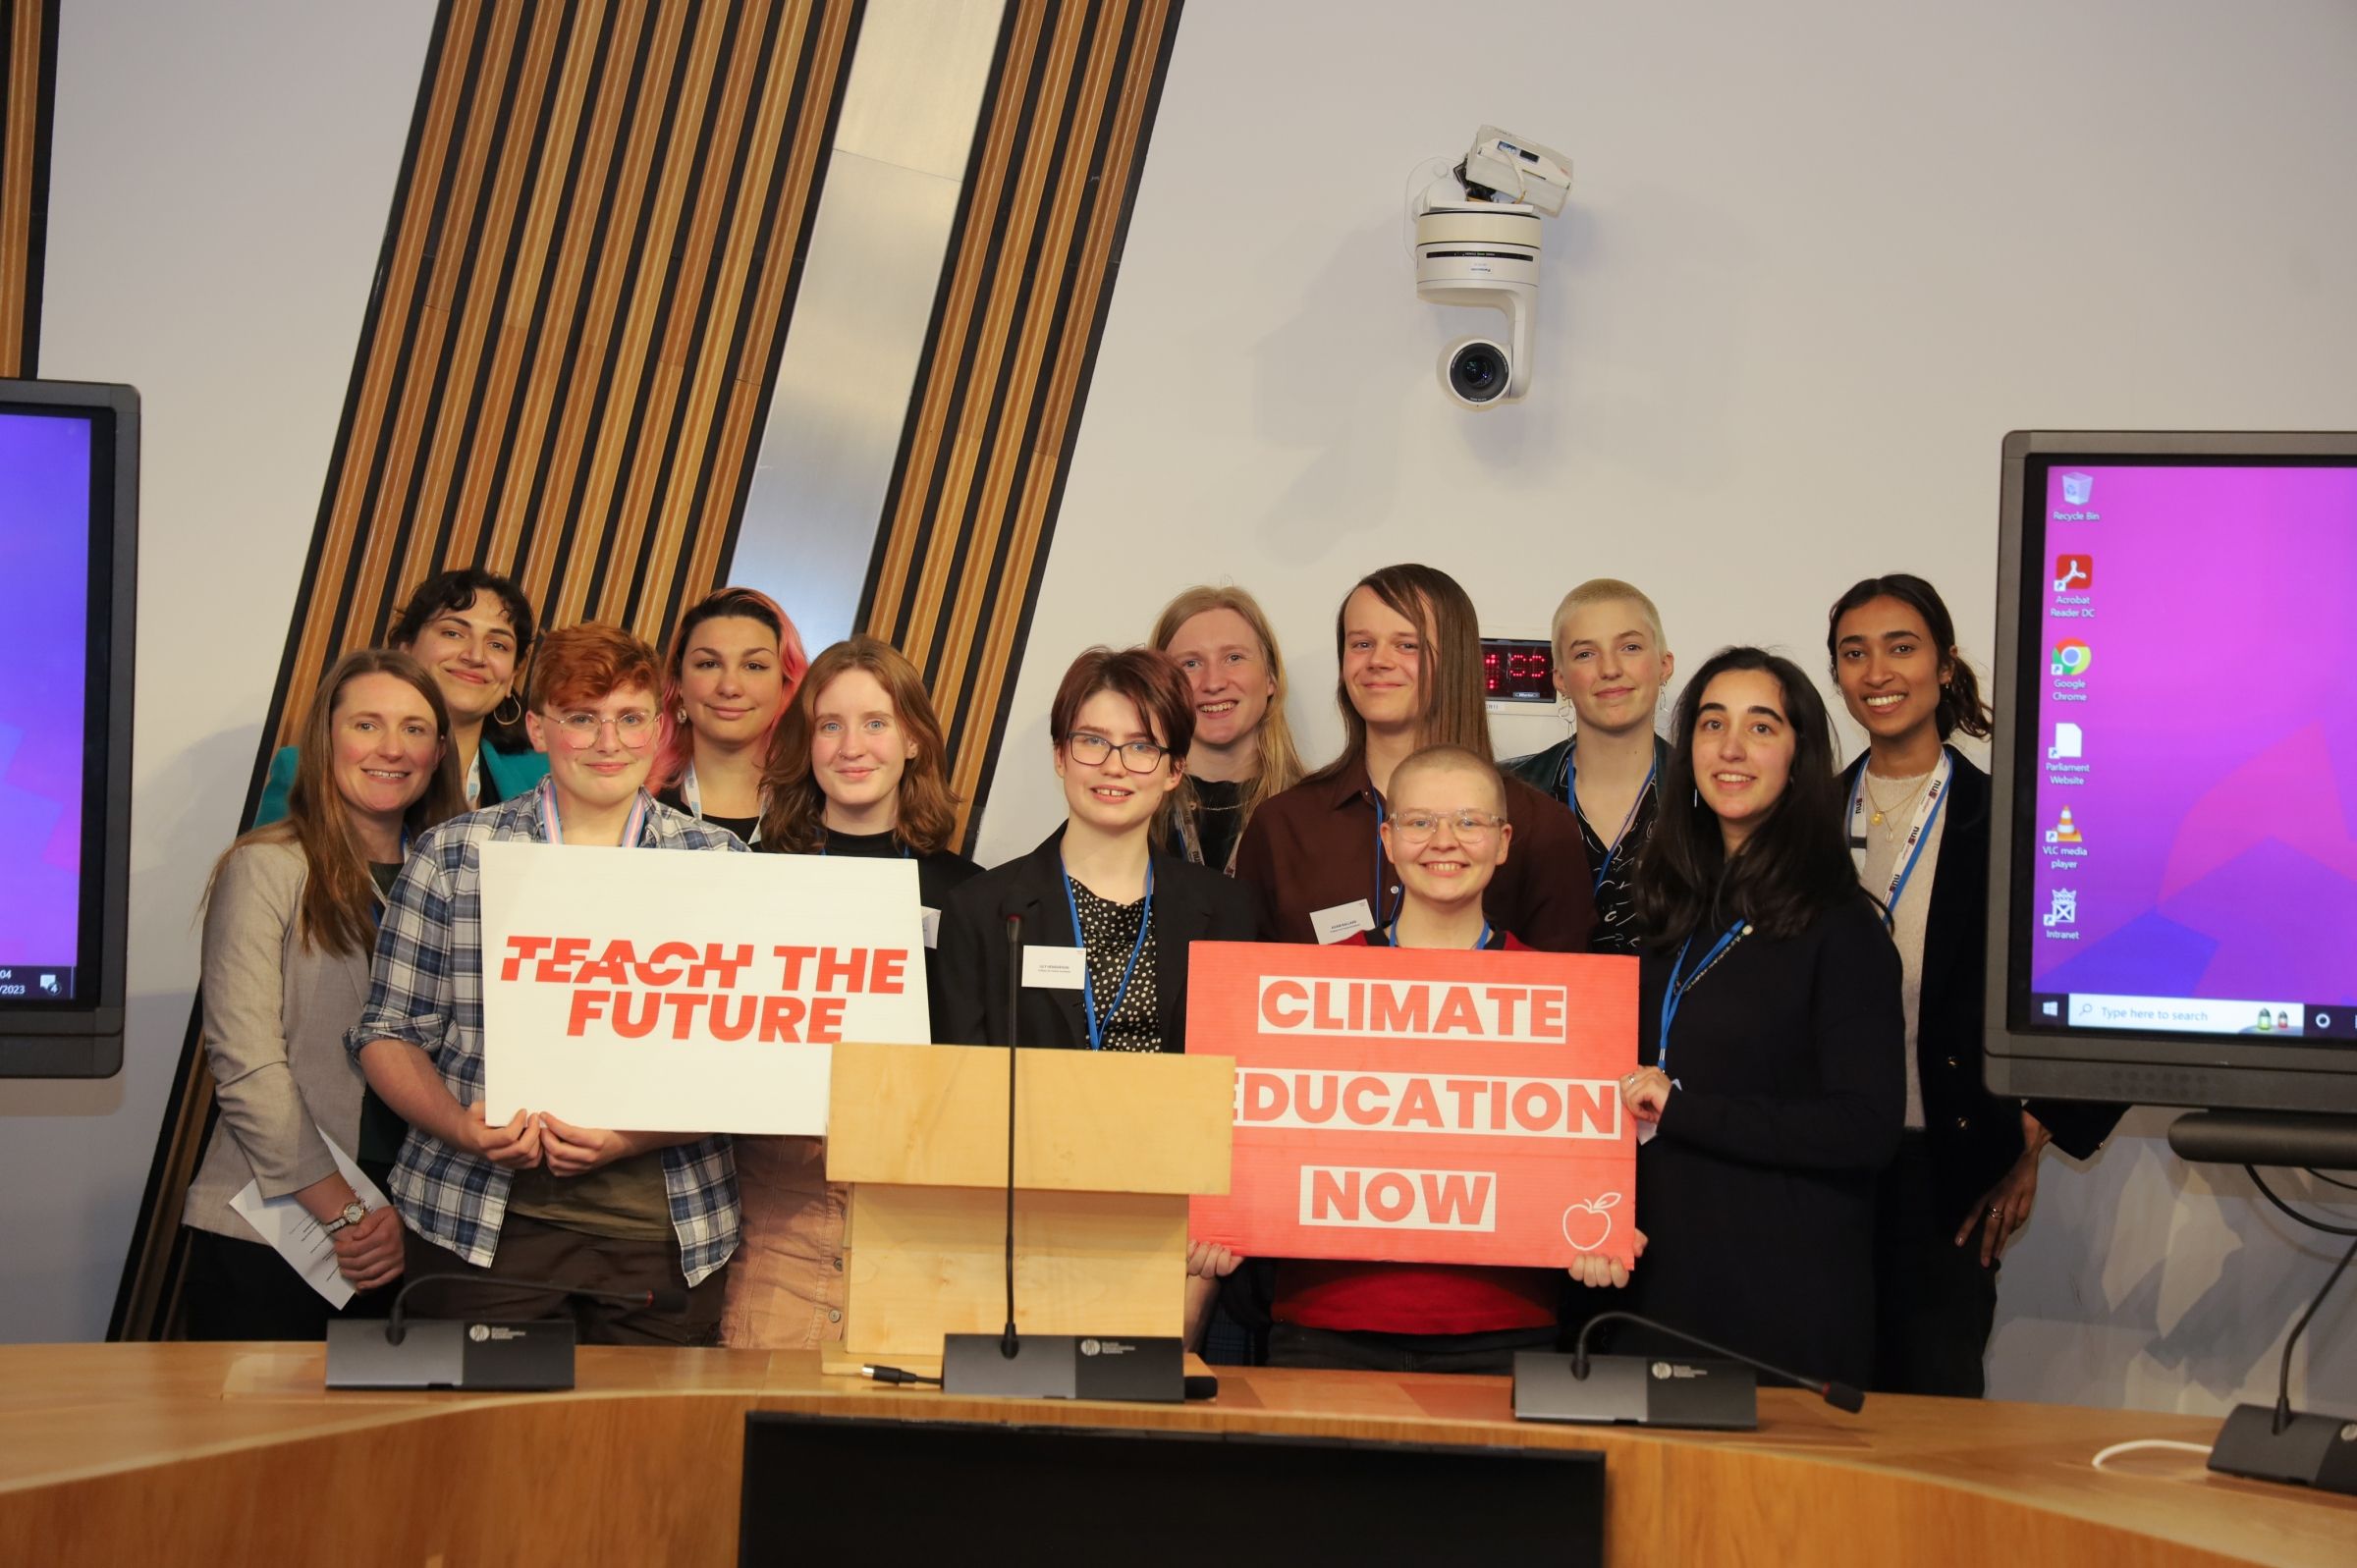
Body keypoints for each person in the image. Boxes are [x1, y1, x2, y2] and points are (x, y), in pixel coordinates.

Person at [348, 623, 747, 1345]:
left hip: (664, 1237)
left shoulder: (722, 863)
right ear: (537, 726)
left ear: (659, 727)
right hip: (478, 1227)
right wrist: (459, 1124)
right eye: (581, 718)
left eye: (630, 718)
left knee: (645, 1457)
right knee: (480, 1453)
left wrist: (629, 1136)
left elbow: (749, 1062)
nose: (608, 742)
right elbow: (388, 1034)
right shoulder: (454, 854)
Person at [1570, 646, 1903, 1392]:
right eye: (1712, 723)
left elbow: (1865, 1127)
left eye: (1761, 727)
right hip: (1652, 1291)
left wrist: (1688, 1110)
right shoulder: (1670, 911)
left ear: (1800, 754)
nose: (1730, 747)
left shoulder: (1841, 930)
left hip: (1779, 1306)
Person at [1829, 573, 2124, 1397]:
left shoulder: (2013, 819)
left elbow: (2105, 973)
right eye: (1854, 653)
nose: (1877, 670)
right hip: (1823, 1168)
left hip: (1949, 1162)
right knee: (1820, 1402)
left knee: (1931, 1395)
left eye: (1901, 647)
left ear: (1945, 665)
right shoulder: (1807, 818)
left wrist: (2032, 1129)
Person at [933, 646, 1260, 1344]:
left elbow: (1245, 1097)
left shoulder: (1229, 913)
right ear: (1059, 755)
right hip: (1016, 1242)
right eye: (1092, 741)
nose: (1114, 766)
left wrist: (1205, 1255)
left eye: (1142, 746)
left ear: (1175, 770)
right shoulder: (984, 910)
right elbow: (958, 1093)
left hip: (1176, 1245)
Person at [1243, 744, 1571, 1374]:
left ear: (1503, 842)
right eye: (1420, 822)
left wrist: (1597, 1230)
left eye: (1468, 822)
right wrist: (1223, 1219)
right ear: (1388, 840)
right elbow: (1263, 1140)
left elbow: (1575, 1166)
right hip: (1325, 1323)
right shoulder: (1308, 989)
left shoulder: (1560, 999)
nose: (1444, 841)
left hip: (1503, 1327)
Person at [181, 650, 466, 1339]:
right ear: (326, 738)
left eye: (415, 729)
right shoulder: (268, 867)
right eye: (366, 724)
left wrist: (401, 1218)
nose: (391, 748)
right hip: (281, 1234)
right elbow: (247, 1065)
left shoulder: (466, 881)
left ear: (438, 752)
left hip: (421, 1238)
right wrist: (348, 1213)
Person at [723, 635, 982, 1350]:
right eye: (830, 725)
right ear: (807, 743)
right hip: (780, 1199)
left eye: (876, 722)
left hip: (917, 1199)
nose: (851, 745)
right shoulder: (752, 877)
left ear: (913, 742)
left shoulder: (972, 895)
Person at [1235, 564, 1595, 950]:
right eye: (1361, 644)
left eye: (1407, 644)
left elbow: (1565, 998)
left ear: (1455, 660)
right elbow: (1245, 991)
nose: (1378, 661)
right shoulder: (1282, 826)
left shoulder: (1537, 826)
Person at [255, 568, 546, 824]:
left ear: (513, 675)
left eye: (498, 645)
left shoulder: (545, 781)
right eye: (453, 633)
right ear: (405, 650)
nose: (475, 656)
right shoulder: (307, 769)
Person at [1504, 579, 1674, 955]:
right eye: (1585, 654)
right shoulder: (1507, 794)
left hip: (1677, 1013)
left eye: (1630, 647)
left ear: (1664, 665)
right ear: (1560, 680)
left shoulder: (1706, 792)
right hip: (1545, 1009)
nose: (1610, 669)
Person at [1150, 584, 1305, 874]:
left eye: (1233, 658)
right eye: (1191, 663)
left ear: (1270, 676)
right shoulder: (1133, 812)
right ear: (1162, 689)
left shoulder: (1316, 813)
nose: (1213, 682)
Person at [651, 586, 808, 844]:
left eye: (754, 666)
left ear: (785, 683)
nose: (730, 687)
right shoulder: (637, 805)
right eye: (708, 664)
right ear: (678, 682)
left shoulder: (819, 810)